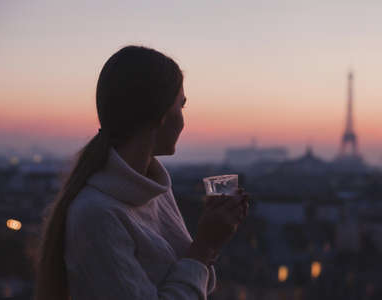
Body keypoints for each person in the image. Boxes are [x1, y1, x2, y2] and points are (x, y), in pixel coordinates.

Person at [34, 45, 250, 300]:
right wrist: (205, 246)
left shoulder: (155, 189)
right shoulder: (96, 215)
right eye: (181, 106)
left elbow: (190, 280)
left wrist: (211, 239)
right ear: (160, 115)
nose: (183, 120)